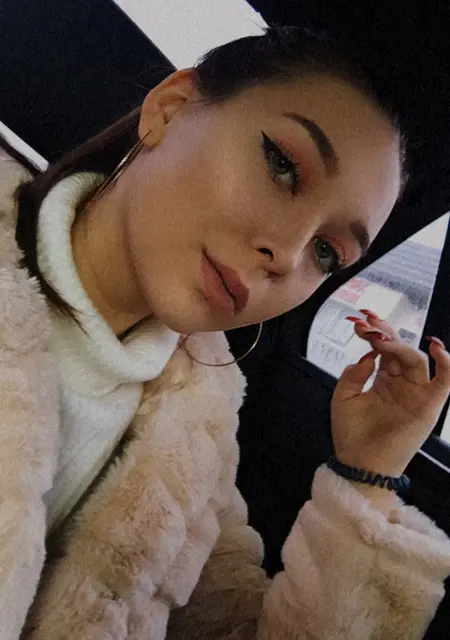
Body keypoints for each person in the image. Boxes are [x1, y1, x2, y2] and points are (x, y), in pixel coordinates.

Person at [1, 25, 450, 639]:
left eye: (326, 252)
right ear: (170, 109)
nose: (286, 255)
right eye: (283, 166)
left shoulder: (198, 442)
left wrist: (369, 476)